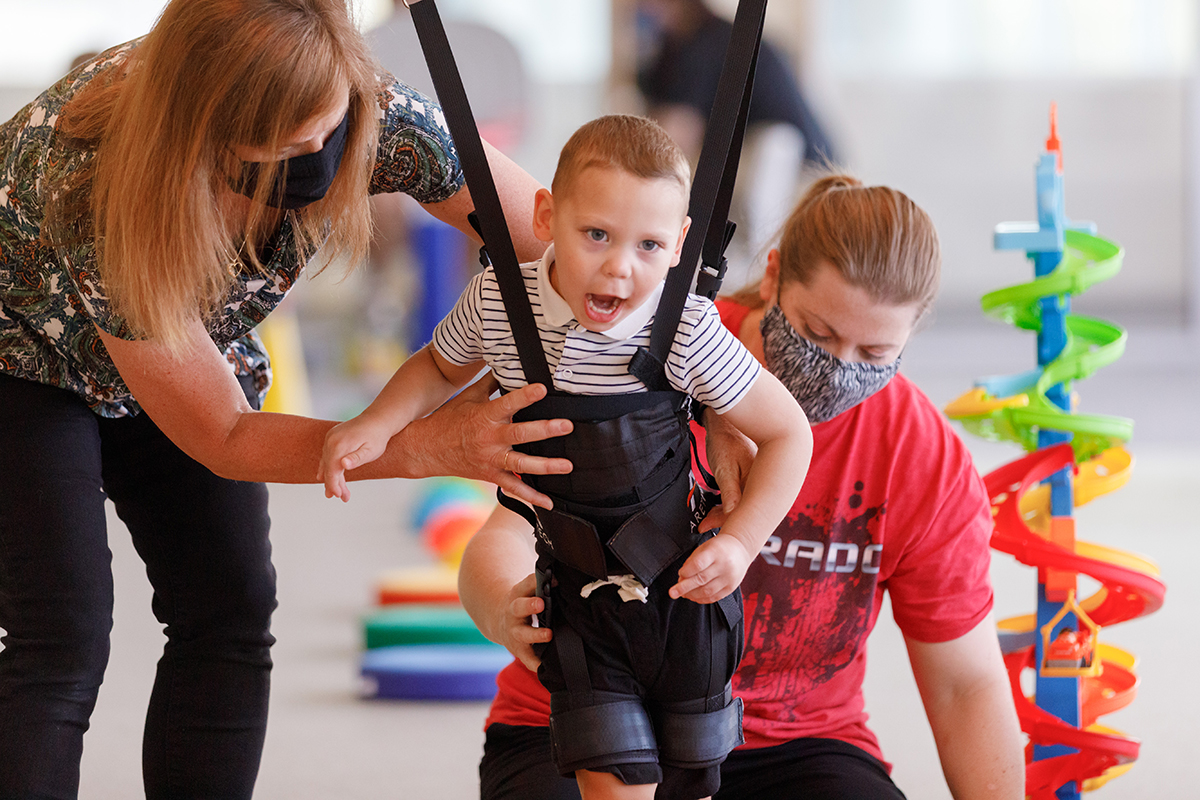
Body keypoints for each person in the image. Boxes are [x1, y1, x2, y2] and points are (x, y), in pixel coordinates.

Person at [0, 1, 574, 798]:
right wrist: (425, 444)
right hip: (21, 353)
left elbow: (555, 243)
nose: (308, 160)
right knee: (60, 637)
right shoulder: (94, 176)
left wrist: (697, 361)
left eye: (319, 135)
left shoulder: (377, 108)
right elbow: (223, 435)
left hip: (186, 339)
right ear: (204, 127)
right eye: (272, 150)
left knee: (230, 610)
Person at [462, 175, 1026, 800]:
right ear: (775, 276)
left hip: (795, 745)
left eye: (873, 352)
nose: (838, 368)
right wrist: (501, 610)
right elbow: (509, 533)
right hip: (583, 720)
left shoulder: (919, 454)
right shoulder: (645, 353)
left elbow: (964, 682)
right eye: (816, 333)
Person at [320, 115, 813, 800]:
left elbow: (791, 435)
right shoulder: (502, 299)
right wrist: (375, 422)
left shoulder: (686, 328)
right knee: (613, 782)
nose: (620, 266)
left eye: (648, 245)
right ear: (548, 217)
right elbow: (437, 365)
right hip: (582, 605)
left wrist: (741, 542)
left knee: (690, 782)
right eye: (597, 235)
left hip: (683, 606)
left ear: (677, 247)